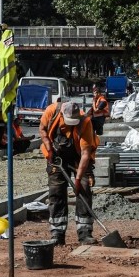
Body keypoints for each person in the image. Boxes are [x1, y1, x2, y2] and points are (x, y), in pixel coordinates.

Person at [39, 101, 99, 246]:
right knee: (56, 191)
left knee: (84, 188)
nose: (72, 124)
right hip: (56, 156)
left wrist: (78, 180)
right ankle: (57, 233)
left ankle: (85, 233)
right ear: (62, 115)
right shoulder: (51, 112)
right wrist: (49, 148)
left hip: (79, 158)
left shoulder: (85, 122)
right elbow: (42, 130)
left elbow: (85, 154)